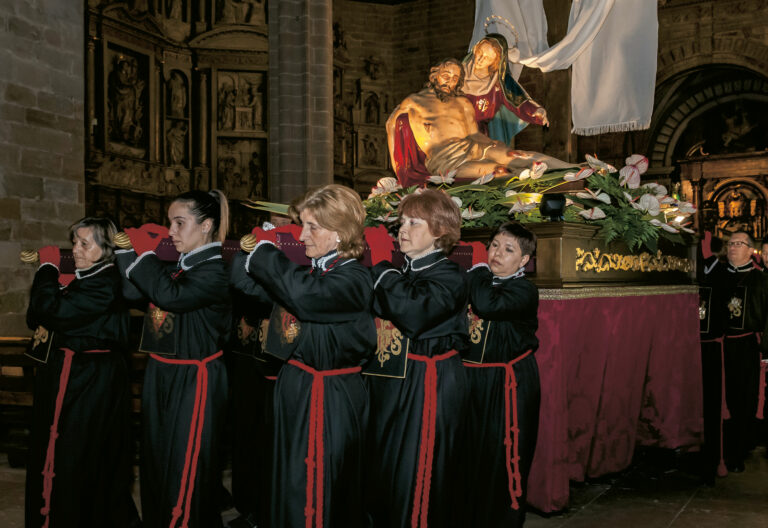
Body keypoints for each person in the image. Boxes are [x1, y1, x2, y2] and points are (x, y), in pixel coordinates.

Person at [240, 184, 376, 527]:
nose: (302, 236)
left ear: (339, 231)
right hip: (299, 387)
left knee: (316, 488)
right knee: (290, 480)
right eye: (302, 226)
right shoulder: (315, 271)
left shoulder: (354, 277)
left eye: (312, 227)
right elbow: (245, 286)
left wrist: (267, 254)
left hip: (328, 395)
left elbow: (307, 298)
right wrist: (252, 249)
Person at [117, 190, 232, 528]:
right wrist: (127, 251)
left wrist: (144, 254)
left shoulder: (215, 270)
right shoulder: (177, 266)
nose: (171, 231)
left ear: (206, 225)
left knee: (186, 468)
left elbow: (170, 297)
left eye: (180, 223)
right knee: (156, 462)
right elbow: (131, 291)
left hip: (195, 379)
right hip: (162, 372)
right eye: (170, 223)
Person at [24, 217, 140, 528]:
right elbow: (35, 316)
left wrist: (47, 269)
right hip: (78, 377)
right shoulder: (85, 278)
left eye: (84, 244)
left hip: (87, 382)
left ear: (106, 250)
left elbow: (51, 311)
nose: (75, 249)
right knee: (75, 454)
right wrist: (57, 283)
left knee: (75, 455)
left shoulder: (105, 282)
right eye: (74, 242)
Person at [367, 189, 470, 528]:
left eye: (414, 223)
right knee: (388, 468)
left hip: (429, 385)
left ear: (440, 230)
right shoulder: (405, 272)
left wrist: (382, 268)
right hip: (396, 382)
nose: (402, 230)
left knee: (418, 472)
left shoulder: (451, 275)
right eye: (401, 222)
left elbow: (411, 312)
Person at [386, 58, 572, 187]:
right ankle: (545, 189)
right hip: (447, 158)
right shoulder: (414, 102)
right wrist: (400, 173)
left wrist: (492, 143)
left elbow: (474, 134)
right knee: (499, 171)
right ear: (434, 75)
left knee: (518, 156)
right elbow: (391, 126)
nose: (449, 82)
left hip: (474, 145)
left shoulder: (462, 103)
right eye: (445, 75)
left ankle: (575, 171)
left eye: (454, 79)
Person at [463, 222, 540, 526]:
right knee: (471, 457)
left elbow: (486, 305)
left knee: (505, 458)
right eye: (494, 245)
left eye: (508, 249)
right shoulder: (478, 281)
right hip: (473, 381)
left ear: (524, 260)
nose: (496, 253)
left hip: (509, 384)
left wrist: (479, 270)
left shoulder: (524, 290)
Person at [703, 231, 768, 473]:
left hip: (746, 346)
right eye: (730, 243)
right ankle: (717, 448)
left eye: (739, 243)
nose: (732, 247)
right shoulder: (716, 275)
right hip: (718, 346)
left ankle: (738, 450)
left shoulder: (761, 279)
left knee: (742, 399)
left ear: (751, 250)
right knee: (719, 398)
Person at [462, 34, 549, 146]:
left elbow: (518, 101)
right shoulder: (456, 73)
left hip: (479, 139)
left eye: (487, 58)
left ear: (495, 62)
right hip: (451, 131)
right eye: (480, 52)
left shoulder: (498, 84)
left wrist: (536, 111)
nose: (480, 59)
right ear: (475, 49)